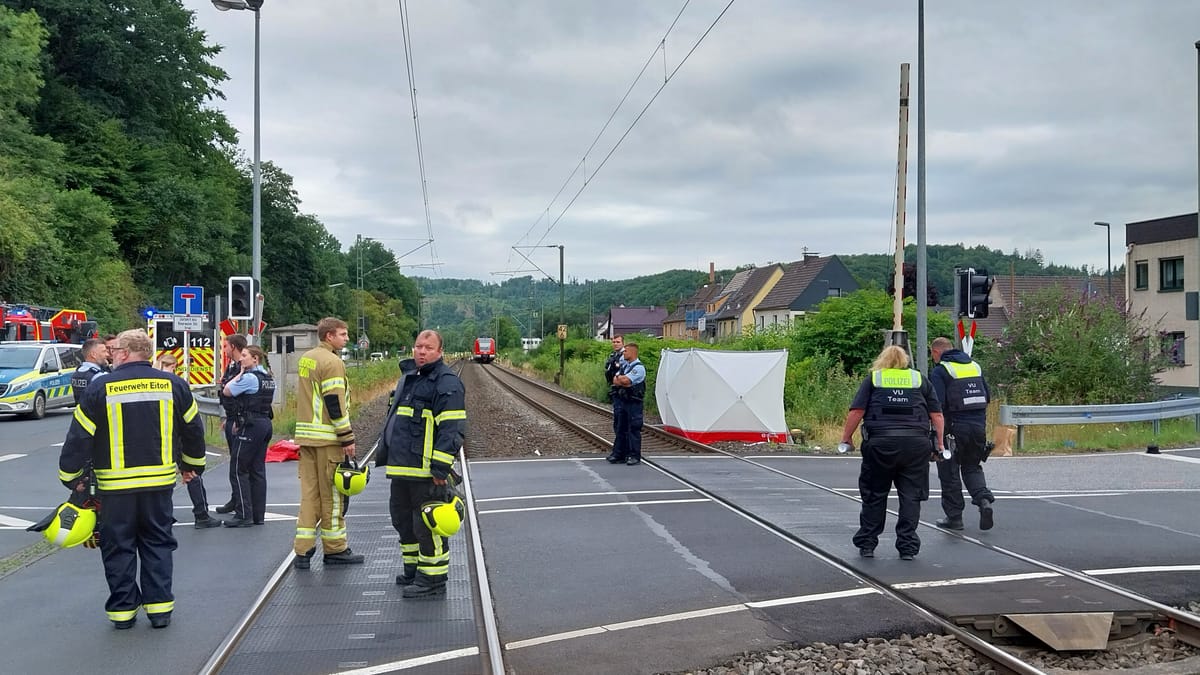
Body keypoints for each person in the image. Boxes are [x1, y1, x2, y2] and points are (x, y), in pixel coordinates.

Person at [58, 329, 206, 629]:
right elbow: (193, 429)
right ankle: (160, 610)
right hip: (159, 485)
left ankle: (123, 613)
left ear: (125, 353)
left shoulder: (101, 388)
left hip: (116, 488)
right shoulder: (175, 385)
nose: (111, 355)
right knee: (158, 543)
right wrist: (192, 466)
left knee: (118, 546)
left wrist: (70, 477)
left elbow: (79, 437)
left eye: (113, 351)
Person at [378, 329, 466, 598]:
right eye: (418, 346)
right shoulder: (410, 378)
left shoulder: (447, 382)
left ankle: (433, 580)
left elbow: (452, 429)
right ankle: (414, 570)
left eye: (428, 348)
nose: (422, 351)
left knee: (427, 526)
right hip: (402, 468)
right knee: (403, 521)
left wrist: (440, 468)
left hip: (427, 471)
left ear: (440, 352)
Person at [839, 344, 945, 560]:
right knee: (911, 496)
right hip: (916, 445)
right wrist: (940, 444)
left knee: (874, 494)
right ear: (905, 361)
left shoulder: (875, 379)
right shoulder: (919, 380)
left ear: (883, 360)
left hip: (880, 444)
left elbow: (857, 411)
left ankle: (868, 544)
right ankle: (907, 547)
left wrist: (846, 437)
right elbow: (937, 415)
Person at [293, 317, 363, 568]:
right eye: (343, 335)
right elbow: (334, 402)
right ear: (329, 336)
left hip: (307, 438)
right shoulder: (332, 362)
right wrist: (346, 437)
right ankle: (335, 549)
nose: (346, 339)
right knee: (332, 497)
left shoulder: (307, 358)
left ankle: (302, 551)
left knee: (309, 495)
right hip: (328, 440)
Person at [930, 337, 996, 531]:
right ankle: (984, 500)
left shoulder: (941, 370)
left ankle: (954, 517)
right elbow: (988, 396)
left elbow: (937, 404)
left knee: (949, 471)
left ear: (936, 352)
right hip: (978, 428)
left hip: (953, 429)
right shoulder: (975, 366)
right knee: (972, 467)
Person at [154, 353, 220, 529]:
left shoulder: (149, 384)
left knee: (161, 479)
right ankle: (201, 515)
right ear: (172, 366)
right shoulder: (176, 384)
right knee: (191, 475)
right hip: (178, 437)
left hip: (157, 439)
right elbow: (190, 422)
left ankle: (163, 516)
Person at [220, 345, 275, 528]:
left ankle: (243, 513)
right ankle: (258, 515)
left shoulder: (250, 378)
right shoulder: (267, 377)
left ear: (255, 359)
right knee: (258, 470)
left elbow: (227, 390)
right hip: (265, 423)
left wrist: (240, 372)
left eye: (245, 356)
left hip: (251, 425)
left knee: (238, 467)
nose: (241, 359)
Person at [215, 334, 248, 517]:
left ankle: (241, 502)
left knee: (239, 464)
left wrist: (235, 418)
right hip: (231, 417)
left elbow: (237, 394)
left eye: (226, 346)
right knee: (234, 462)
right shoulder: (233, 366)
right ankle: (235, 498)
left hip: (239, 420)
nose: (225, 350)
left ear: (234, 347)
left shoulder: (243, 368)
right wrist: (226, 417)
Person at [610, 342, 647, 466]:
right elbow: (615, 380)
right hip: (624, 402)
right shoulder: (625, 367)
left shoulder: (638, 368)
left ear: (632, 352)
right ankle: (619, 454)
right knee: (621, 428)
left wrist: (622, 380)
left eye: (625, 351)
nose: (623, 353)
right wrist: (622, 380)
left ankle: (634, 455)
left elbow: (626, 380)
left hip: (634, 403)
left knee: (633, 429)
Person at [71, 338, 109, 404]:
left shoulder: (77, 373)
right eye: (104, 351)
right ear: (93, 355)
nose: (107, 354)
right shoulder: (99, 376)